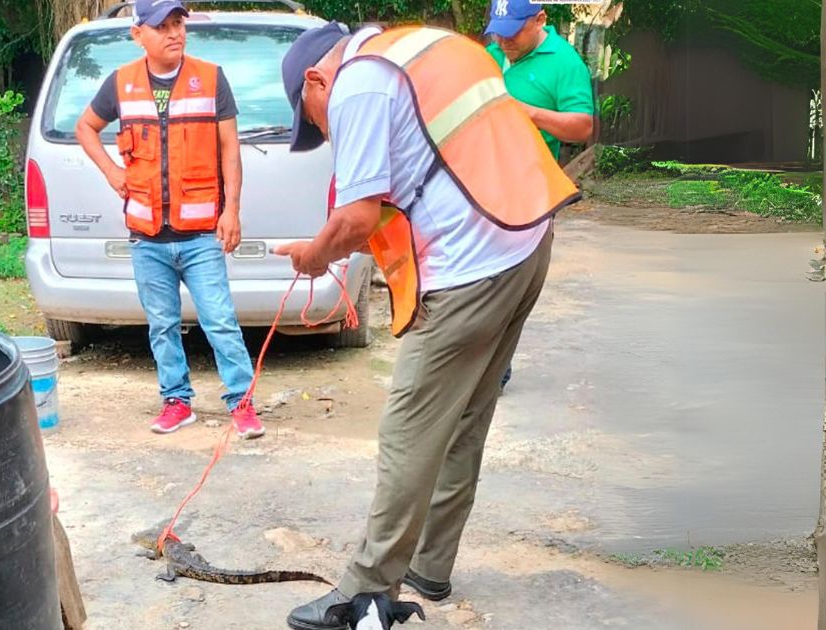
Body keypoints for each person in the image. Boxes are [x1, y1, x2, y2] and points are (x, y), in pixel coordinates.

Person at [273, 22, 579, 629]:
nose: (324, 131)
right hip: (527, 242)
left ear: (316, 81)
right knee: (465, 417)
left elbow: (357, 219)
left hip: (471, 267)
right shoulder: (425, 47)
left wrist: (315, 255)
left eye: (314, 121)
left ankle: (365, 594)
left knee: (409, 429)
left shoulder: (358, 86)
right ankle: (430, 567)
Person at [73, 0, 264, 439]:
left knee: (219, 321)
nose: (175, 33)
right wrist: (111, 172)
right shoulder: (120, 84)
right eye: (163, 26)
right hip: (147, 237)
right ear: (138, 33)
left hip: (200, 235)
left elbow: (230, 150)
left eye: (179, 23)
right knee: (162, 325)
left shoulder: (211, 79)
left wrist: (231, 209)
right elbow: (86, 127)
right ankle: (176, 401)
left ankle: (242, 403)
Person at [485, 0, 596, 392]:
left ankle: (497, 365)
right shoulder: (494, 51)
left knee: (508, 279)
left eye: (513, 30)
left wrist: (527, 112)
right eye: (497, 30)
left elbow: (582, 126)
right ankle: (484, 361)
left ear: (541, 20)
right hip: (480, 183)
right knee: (478, 278)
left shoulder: (565, 63)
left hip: (527, 190)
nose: (503, 39)